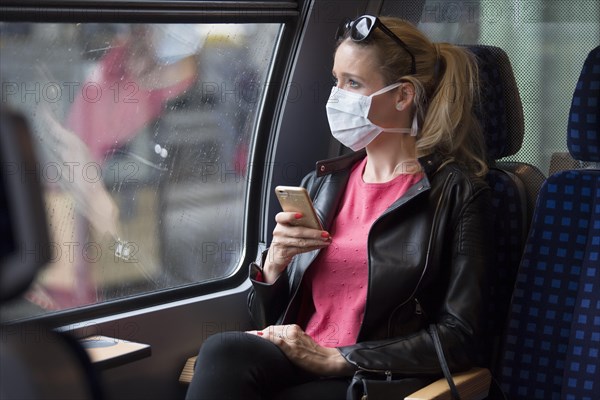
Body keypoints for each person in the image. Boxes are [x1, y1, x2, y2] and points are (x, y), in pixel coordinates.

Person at [185, 15, 493, 400]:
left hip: (370, 377)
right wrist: (274, 268)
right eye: (336, 80)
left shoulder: (457, 196)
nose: (336, 96)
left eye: (353, 83)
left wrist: (340, 358)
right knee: (223, 349)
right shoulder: (322, 185)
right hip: (300, 359)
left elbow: (461, 337)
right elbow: (269, 319)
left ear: (403, 96)